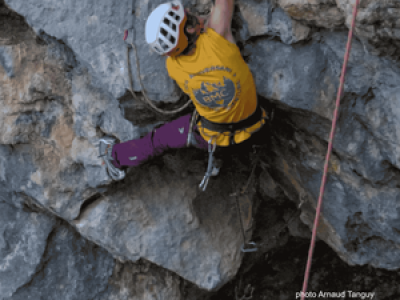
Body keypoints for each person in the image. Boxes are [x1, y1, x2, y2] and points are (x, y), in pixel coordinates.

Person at [99, 0, 268, 182]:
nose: (189, 10)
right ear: (190, 29)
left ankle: (115, 157)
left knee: (158, 140)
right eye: (188, 16)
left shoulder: (173, 66)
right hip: (255, 125)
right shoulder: (218, 36)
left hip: (212, 138)